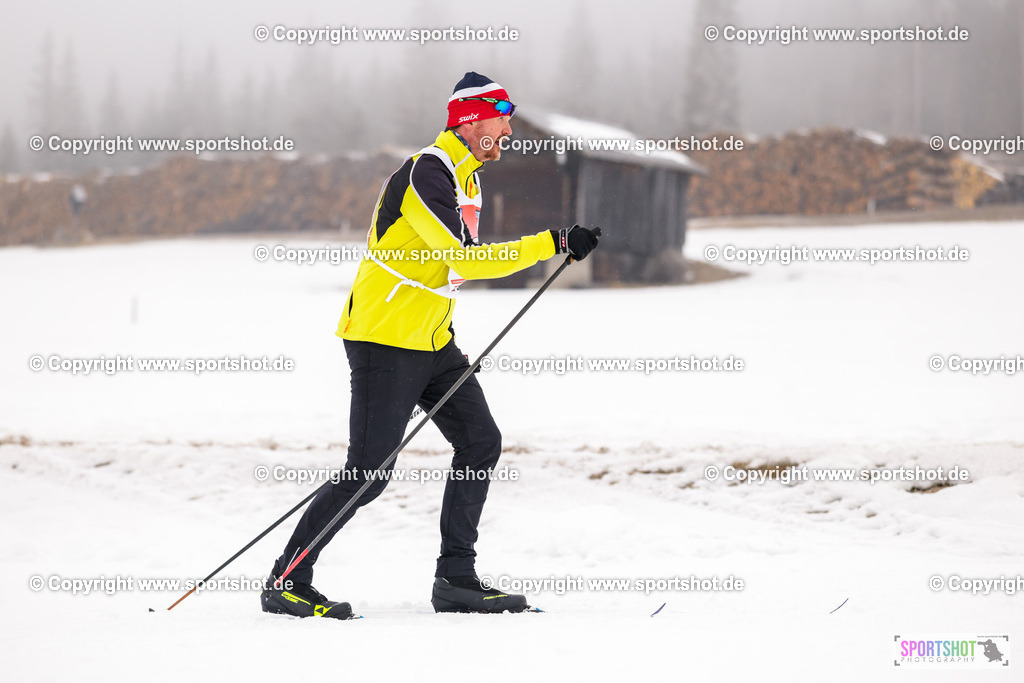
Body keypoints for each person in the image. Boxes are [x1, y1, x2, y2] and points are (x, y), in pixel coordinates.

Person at [260, 72, 601, 618]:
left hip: (433, 338)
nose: (509, 129)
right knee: (368, 473)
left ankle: (456, 581)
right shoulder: (428, 172)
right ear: (472, 119)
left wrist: (552, 244)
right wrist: (551, 242)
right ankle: (287, 579)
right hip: (384, 338)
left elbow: (451, 262)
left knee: (480, 441)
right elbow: (466, 259)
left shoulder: (468, 179)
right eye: (502, 117)